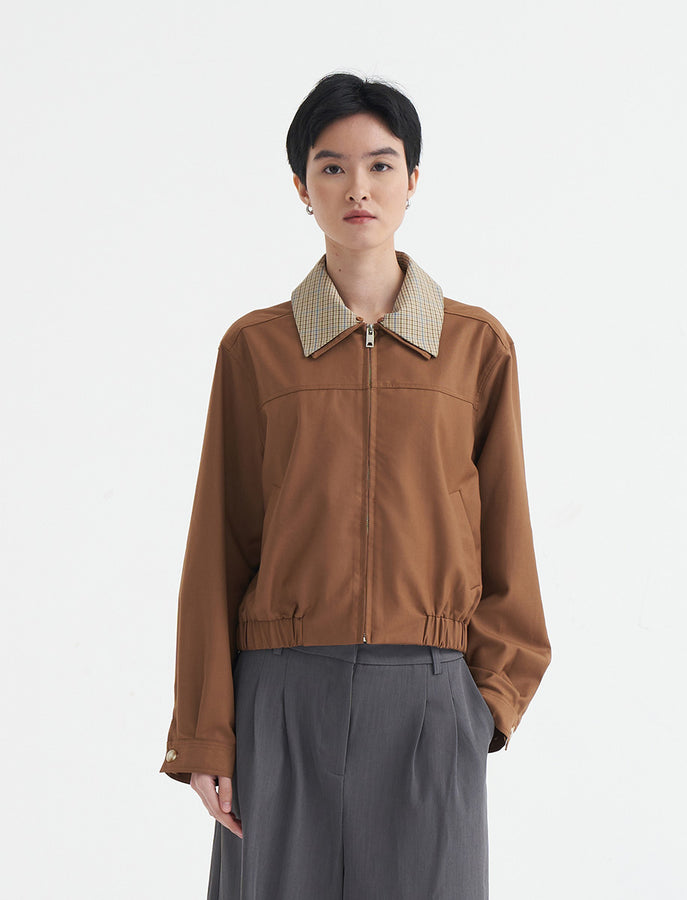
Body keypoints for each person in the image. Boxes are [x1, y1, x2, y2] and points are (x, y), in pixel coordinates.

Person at [159, 71, 551, 899]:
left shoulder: (476, 348)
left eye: (380, 164)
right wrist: (206, 736)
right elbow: (217, 551)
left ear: (413, 180)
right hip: (281, 699)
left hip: (431, 702)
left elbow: (508, 539)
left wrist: (486, 703)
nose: (358, 187)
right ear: (301, 188)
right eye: (331, 167)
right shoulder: (255, 350)